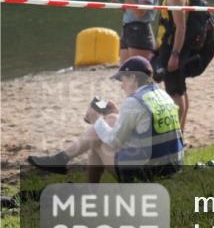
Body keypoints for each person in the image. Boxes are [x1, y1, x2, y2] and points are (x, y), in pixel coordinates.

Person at [27, 57, 183, 183]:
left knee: (96, 142)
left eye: (123, 80)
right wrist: (117, 114)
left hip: (151, 173)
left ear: (133, 77)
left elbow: (114, 141)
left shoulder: (134, 102)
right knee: (112, 118)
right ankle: (61, 159)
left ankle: (77, 177)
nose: (122, 86)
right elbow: (144, 123)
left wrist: (96, 120)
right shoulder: (162, 95)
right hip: (173, 166)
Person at [154, 0, 192, 131]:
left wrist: (175, 54)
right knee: (180, 90)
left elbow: (181, 27)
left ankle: (176, 136)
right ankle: (180, 136)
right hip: (168, 47)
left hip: (173, 49)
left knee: (175, 93)